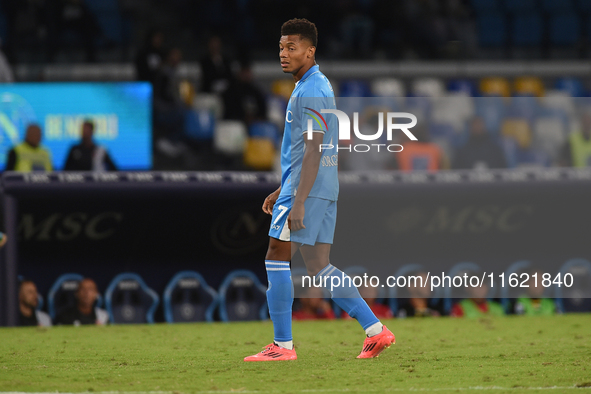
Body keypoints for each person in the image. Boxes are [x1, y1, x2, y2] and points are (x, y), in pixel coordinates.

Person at [244, 18, 395, 362]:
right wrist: (282, 186)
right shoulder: (315, 85)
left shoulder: (311, 89)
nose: (283, 54)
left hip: (307, 190)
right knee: (319, 266)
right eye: (281, 47)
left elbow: (313, 148)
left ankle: (282, 347)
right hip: (323, 187)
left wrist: (296, 200)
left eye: (291, 47)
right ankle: (376, 331)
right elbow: (312, 148)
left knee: (276, 257)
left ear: (310, 52)